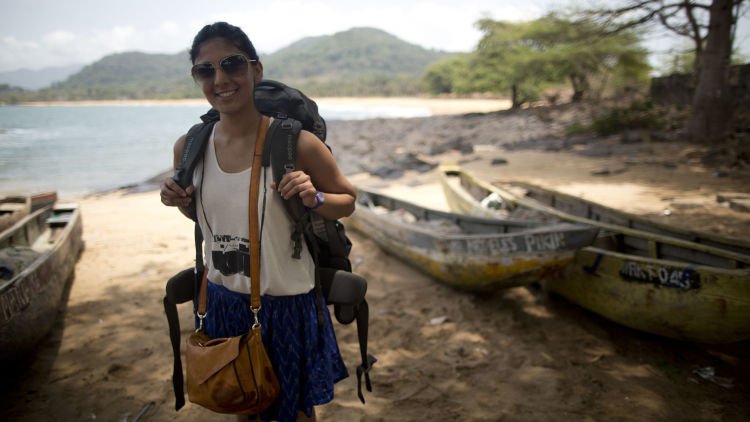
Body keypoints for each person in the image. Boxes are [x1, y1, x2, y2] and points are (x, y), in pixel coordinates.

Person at [159, 21, 356, 422]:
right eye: (206, 70)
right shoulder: (189, 147)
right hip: (222, 299)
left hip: (286, 301)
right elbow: (204, 216)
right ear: (197, 78)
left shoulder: (295, 143)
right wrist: (179, 201)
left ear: (255, 70)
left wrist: (314, 196)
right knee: (241, 403)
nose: (221, 79)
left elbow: (347, 201)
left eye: (232, 64)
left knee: (294, 413)